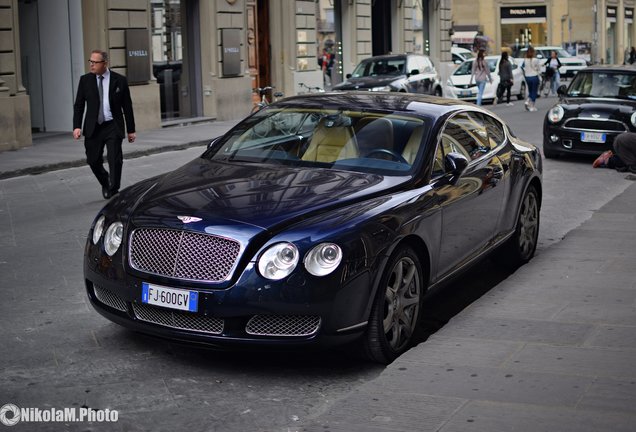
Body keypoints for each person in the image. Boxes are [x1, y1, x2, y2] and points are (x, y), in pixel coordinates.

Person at [73, 49, 136, 199]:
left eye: (95, 62)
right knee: (93, 160)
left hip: (112, 125)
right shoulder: (85, 80)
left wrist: (131, 130)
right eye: (90, 61)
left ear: (105, 63)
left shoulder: (119, 80)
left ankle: (113, 190)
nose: (91, 65)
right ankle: (106, 182)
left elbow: (127, 106)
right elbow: (79, 105)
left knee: (115, 159)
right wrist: (77, 126)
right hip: (93, 127)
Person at [522, 46, 541, 111]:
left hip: (527, 77)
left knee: (530, 90)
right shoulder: (536, 60)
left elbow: (522, 67)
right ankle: (532, 105)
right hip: (534, 76)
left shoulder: (525, 60)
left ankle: (527, 101)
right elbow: (539, 68)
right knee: (534, 91)